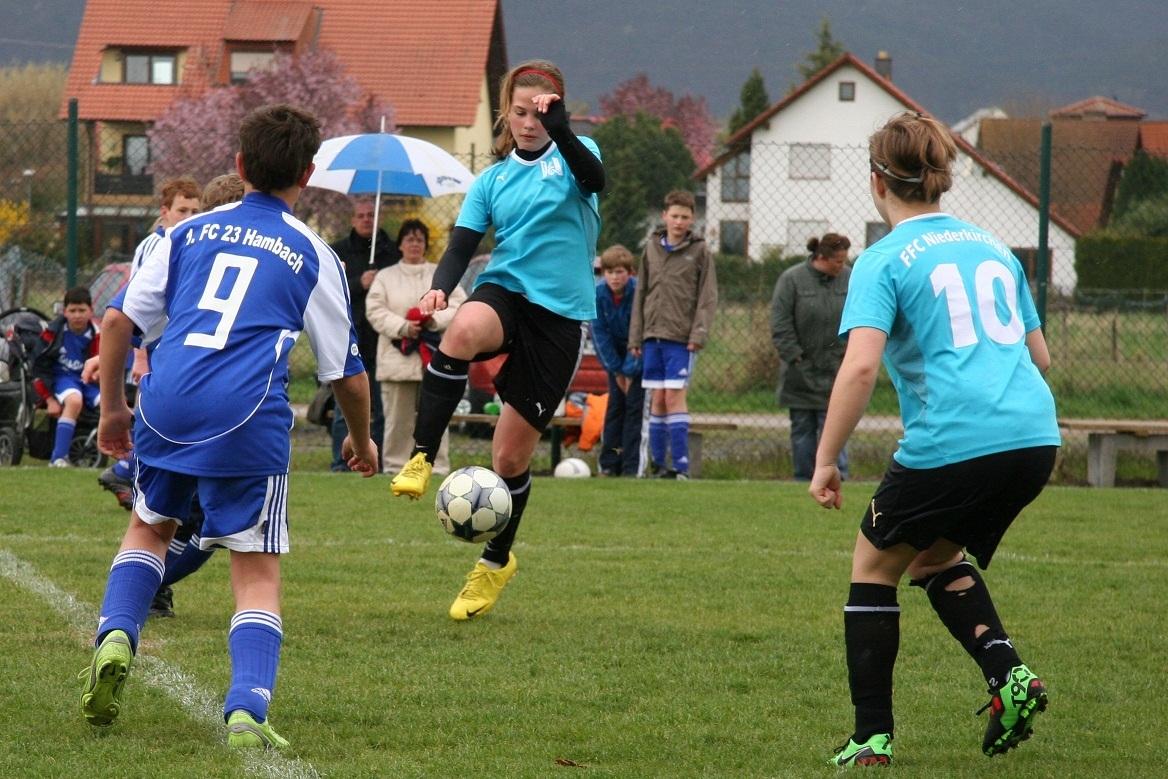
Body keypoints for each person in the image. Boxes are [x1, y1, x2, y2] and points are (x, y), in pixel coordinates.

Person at [82, 103, 379, 749]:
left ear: (239, 165)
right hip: (247, 416)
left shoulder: (184, 233)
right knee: (256, 569)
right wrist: (359, 437)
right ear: (308, 172)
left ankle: (114, 637)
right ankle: (246, 706)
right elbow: (347, 375)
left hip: (168, 401)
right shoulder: (313, 252)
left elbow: (115, 323)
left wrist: (112, 407)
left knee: (149, 526)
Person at [809, 112, 1060, 767]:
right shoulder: (994, 247)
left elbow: (861, 366)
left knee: (872, 567)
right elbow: (1042, 356)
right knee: (930, 558)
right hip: (1035, 436)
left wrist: (825, 456)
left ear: (876, 181)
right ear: (941, 179)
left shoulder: (884, 259)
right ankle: (1008, 673)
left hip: (957, 438)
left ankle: (871, 736)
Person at [389, 59, 604, 621]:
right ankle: (420, 455)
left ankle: (494, 563)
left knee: (508, 457)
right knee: (461, 327)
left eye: (543, 110)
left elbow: (595, 180)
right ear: (506, 114)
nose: (530, 121)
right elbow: (460, 246)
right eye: (521, 110)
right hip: (505, 291)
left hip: (557, 317)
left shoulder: (580, 155)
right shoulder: (492, 180)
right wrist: (439, 289)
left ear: (555, 110)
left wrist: (563, 127)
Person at [98, 176, 202, 505]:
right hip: (156, 345)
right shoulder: (156, 245)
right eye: (182, 210)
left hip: (174, 343)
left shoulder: (193, 240)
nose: (189, 217)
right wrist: (140, 354)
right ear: (165, 211)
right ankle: (132, 471)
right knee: (156, 416)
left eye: (195, 210)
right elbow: (132, 309)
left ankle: (134, 473)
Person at [628, 190, 717, 479]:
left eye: (685, 217)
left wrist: (698, 333)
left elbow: (707, 296)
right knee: (658, 398)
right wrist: (636, 336)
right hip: (652, 335)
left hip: (682, 337)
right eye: (675, 216)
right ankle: (658, 465)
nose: (679, 222)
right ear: (665, 216)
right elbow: (641, 292)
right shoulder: (651, 248)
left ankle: (681, 467)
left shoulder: (701, 251)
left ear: (693, 220)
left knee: (675, 396)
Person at [366, 219, 467, 475]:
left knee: (435, 415)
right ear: (400, 244)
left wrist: (434, 320)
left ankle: (436, 465)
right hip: (396, 357)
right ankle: (394, 466)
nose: (414, 244)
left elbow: (459, 305)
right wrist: (403, 327)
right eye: (409, 239)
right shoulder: (385, 277)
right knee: (398, 419)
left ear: (425, 245)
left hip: (434, 356)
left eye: (419, 240)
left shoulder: (440, 274)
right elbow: (375, 310)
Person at [770, 232, 852, 480]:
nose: (842, 266)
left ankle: (838, 477)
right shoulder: (791, 280)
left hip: (838, 369)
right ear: (821, 257)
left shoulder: (850, 279)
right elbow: (780, 324)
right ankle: (803, 479)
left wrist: (849, 356)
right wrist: (796, 358)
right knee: (803, 428)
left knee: (836, 425)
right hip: (800, 371)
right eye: (838, 261)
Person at [329, 196, 400, 471]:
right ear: (352, 219)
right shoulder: (339, 251)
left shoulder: (391, 253)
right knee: (342, 408)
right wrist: (360, 283)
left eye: (371, 215)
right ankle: (340, 462)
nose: (366, 220)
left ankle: (374, 460)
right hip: (349, 334)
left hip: (381, 340)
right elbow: (332, 288)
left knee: (380, 408)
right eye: (361, 215)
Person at [32, 286, 100, 466]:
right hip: (63, 379)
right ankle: (58, 458)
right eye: (73, 310)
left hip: (89, 382)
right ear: (65, 312)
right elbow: (38, 367)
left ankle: (130, 459)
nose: (77, 315)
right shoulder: (52, 334)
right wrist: (49, 400)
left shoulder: (98, 334)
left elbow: (105, 362)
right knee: (74, 401)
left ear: (91, 311)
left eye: (82, 310)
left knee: (112, 403)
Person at [591, 244, 643, 476]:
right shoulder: (598, 294)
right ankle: (610, 464)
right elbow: (599, 334)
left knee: (634, 409)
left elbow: (641, 331)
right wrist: (617, 371)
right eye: (610, 272)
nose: (614, 277)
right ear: (604, 273)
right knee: (615, 408)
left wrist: (631, 371)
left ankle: (632, 467)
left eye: (620, 272)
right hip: (614, 357)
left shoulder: (639, 292)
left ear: (630, 273)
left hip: (638, 354)